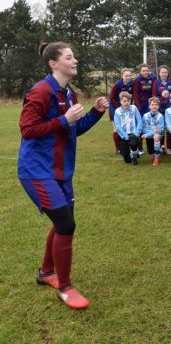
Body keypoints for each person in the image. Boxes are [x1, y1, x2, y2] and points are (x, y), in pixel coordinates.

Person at [18, 42, 108, 309]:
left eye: (74, 56)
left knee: (62, 222)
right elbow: (27, 129)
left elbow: (72, 129)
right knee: (66, 225)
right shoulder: (41, 91)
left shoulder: (69, 93)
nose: (76, 60)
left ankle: (47, 272)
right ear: (54, 64)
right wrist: (63, 120)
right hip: (37, 171)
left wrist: (96, 113)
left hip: (61, 171)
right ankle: (65, 286)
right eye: (70, 57)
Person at [109, 68, 133, 154]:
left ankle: (125, 147)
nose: (128, 77)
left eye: (129, 75)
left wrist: (130, 106)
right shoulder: (117, 85)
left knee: (125, 127)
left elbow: (131, 97)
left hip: (125, 108)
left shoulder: (131, 84)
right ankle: (118, 149)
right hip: (115, 108)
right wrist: (117, 107)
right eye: (126, 75)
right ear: (122, 76)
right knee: (116, 128)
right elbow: (111, 97)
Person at [153, 65, 171, 155]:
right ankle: (161, 146)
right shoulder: (156, 83)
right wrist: (157, 106)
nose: (164, 74)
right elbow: (154, 95)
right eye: (162, 72)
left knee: (169, 128)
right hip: (160, 108)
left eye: (165, 72)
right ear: (159, 73)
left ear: (167, 73)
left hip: (169, 108)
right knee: (160, 128)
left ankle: (169, 147)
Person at [114, 92, 142, 165]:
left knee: (133, 143)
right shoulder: (117, 111)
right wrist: (125, 135)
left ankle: (134, 156)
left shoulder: (134, 108)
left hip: (133, 133)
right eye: (124, 101)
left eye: (128, 101)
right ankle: (134, 152)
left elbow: (139, 120)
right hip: (124, 135)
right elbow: (117, 125)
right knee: (127, 160)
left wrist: (137, 133)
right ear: (120, 102)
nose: (127, 103)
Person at [141, 97, 165, 165]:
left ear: (158, 106)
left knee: (156, 136)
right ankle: (160, 149)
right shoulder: (145, 116)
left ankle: (157, 159)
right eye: (152, 105)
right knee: (151, 157)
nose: (154, 106)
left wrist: (148, 134)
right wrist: (150, 133)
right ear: (149, 106)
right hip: (149, 135)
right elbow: (143, 129)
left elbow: (160, 130)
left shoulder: (160, 116)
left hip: (157, 135)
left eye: (156, 105)